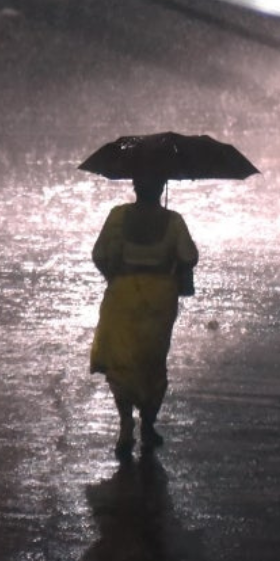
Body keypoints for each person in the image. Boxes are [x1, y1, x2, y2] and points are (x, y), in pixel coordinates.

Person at [90, 177, 198, 460]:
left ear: (135, 187)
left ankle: (126, 424)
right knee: (152, 363)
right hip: (159, 299)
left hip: (123, 295)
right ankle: (148, 425)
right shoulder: (173, 220)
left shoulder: (117, 216)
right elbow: (189, 255)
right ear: (161, 189)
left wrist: (115, 275)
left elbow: (100, 254)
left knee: (123, 363)